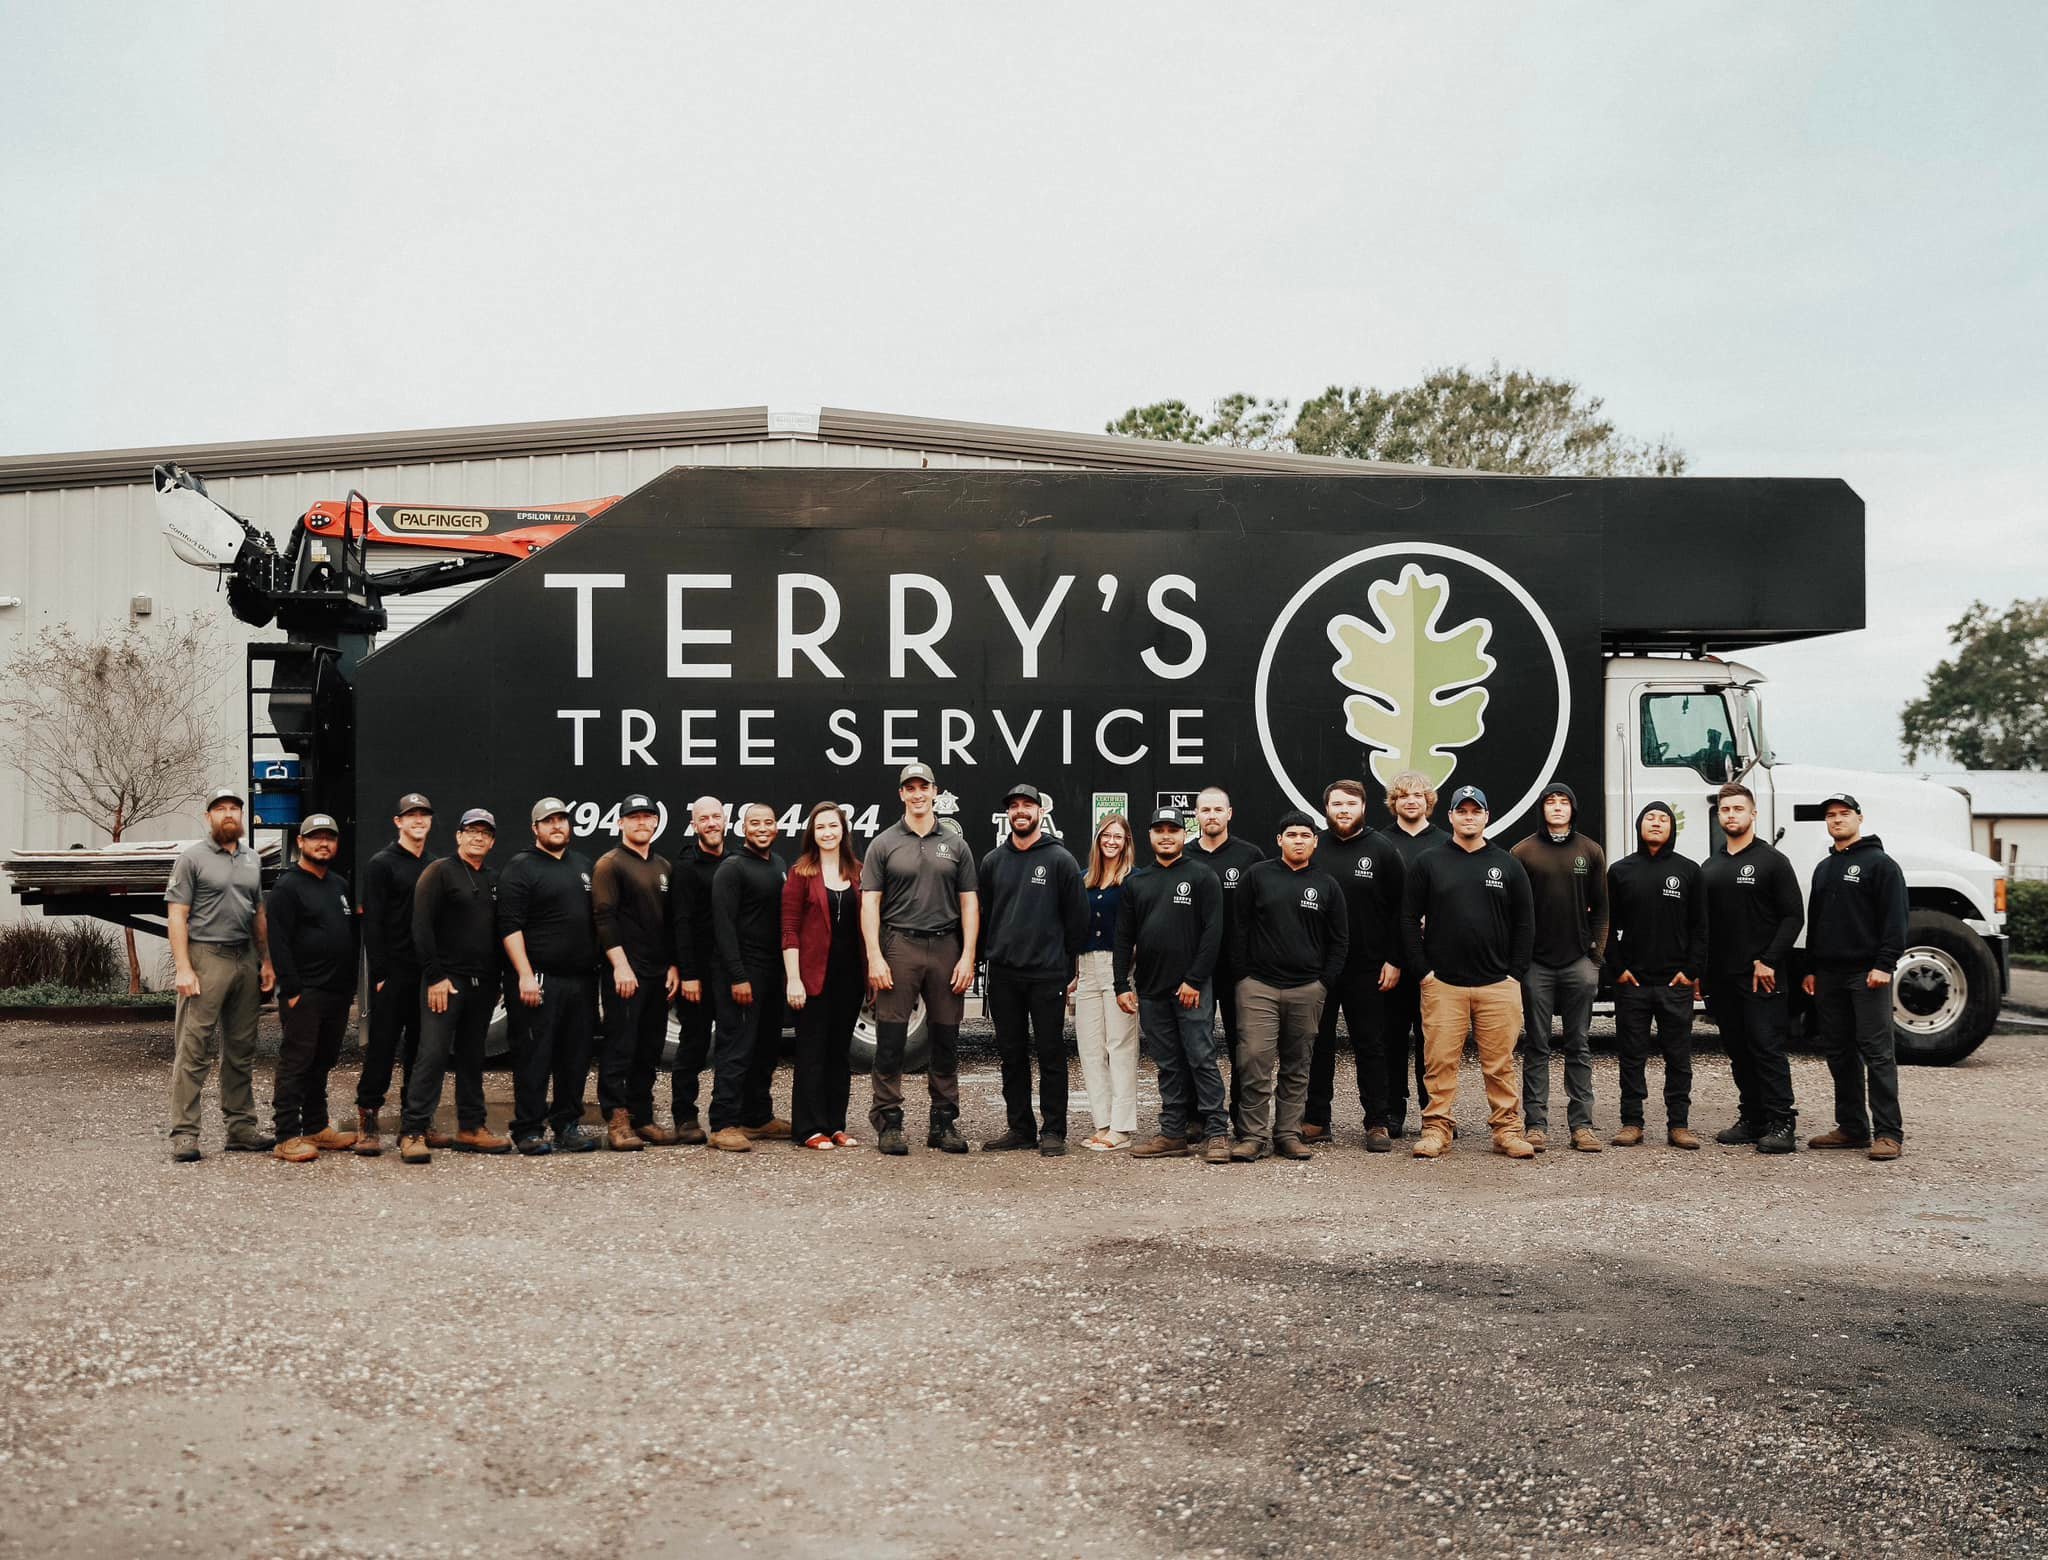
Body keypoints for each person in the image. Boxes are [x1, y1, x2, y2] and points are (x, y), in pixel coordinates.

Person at [1399, 785, 1537, 1161]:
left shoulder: (1508, 865)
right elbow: (1408, 919)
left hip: (1498, 984)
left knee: (1500, 1064)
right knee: (1439, 1063)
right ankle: (1436, 1129)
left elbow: (1525, 923)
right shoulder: (1429, 862)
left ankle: (1507, 1131)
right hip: (1443, 984)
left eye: (1476, 811)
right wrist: (1423, 972)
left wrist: (1515, 974)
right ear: (1451, 816)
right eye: (1462, 811)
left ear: (1486, 816)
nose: (1469, 817)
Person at [862, 762, 980, 1156]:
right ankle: (889, 1121)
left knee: (945, 1038)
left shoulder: (956, 844)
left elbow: (969, 904)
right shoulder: (883, 843)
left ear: (935, 792)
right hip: (900, 945)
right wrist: (875, 956)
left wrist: (968, 955)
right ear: (901, 794)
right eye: (909, 788)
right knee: (891, 1040)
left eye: (923, 787)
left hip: (946, 947)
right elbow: (870, 904)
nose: (917, 794)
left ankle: (943, 1122)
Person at [1231, 811, 1350, 1162]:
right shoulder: (1257, 876)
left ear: (1315, 842)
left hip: (1307, 989)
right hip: (1259, 987)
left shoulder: (1327, 884)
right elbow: (1238, 927)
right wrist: (1243, 976)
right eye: (1292, 835)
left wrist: (1323, 982)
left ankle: (1287, 1134)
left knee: (1298, 1065)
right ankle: (1253, 1136)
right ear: (1279, 840)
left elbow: (1339, 939)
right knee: (1255, 1060)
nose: (1299, 840)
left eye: (1305, 835)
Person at [165, 786, 275, 1162]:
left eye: (234, 808)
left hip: (245, 957)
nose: (228, 814)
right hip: (206, 957)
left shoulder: (252, 859)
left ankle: (241, 1129)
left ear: (241, 815)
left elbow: (258, 912)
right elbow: (177, 915)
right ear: (208, 816)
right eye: (220, 808)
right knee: (193, 1049)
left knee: (241, 1049)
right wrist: (183, 968)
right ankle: (185, 1134)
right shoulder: (191, 859)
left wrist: (266, 962)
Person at [977, 783, 1087, 1156]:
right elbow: (985, 915)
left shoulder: (1060, 859)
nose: (1021, 811)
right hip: (1004, 975)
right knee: (1011, 1056)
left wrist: (1069, 968)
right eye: (1014, 806)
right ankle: (1020, 1129)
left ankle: (1054, 1130)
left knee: (1051, 1054)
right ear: (1008, 814)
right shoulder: (993, 861)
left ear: (1040, 811)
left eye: (1027, 805)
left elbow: (1077, 919)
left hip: (1047, 974)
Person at [1115, 807, 1229, 1163]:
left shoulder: (1202, 875)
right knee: (1168, 1064)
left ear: (1184, 834)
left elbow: (1213, 933)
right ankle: (1173, 1133)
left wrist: (1194, 979)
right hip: (1151, 989)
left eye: (1173, 830)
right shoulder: (1137, 882)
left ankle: (1217, 1132)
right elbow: (1124, 937)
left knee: (1201, 1058)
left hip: (1191, 989)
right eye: (1159, 830)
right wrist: (1120, 984)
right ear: (1150, 836)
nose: (1166, 836)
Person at [1802, 793, 1909, 1161]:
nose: (1836, 820)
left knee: (1877, 1053)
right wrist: (1811, 968)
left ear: (1859, 818)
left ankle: (1889, 1133)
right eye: (1831, 815)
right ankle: (1852, 1127)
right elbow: (1816, 922)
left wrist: (1885, 964)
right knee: (1839, 1052)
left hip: (1867, 974)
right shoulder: (1824, 868)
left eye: (1844, 813)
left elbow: (1896, 920)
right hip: (1829, 975)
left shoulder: (1882, 865)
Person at [1701, 782, 1804, 1155]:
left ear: (1753, 813)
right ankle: (1753, 1118)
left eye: (1738, 809)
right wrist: (1702, 971)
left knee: (1766, 1048)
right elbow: (1704, 926)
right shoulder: (1710, 867)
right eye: (1725, 810)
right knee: (1738, 1050)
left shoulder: (1772, 861)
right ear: (1719, 815)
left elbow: (1793, 917)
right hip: (1722, 978)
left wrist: (1769, 960)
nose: (1731, 815)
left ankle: (1782, 1122)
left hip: (1762, 976)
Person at [402, 808, 511, 1162]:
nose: (478, 837)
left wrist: (499, 979)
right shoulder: (439, 872)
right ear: (459, 836)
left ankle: (471, 1127)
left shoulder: (494, 879)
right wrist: (435, 977)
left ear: (492, 842)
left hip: (484, 984)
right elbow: (421, 928)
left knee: (472, 1056)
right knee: (433, 1055)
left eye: (485, 833)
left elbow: (499, 932)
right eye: (472, 831)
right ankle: (413, 1130)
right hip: (446, 983)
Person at [497, 797, 602, 1155]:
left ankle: (566, 1125)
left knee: (575, 1057)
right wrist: (525, 975)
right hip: (539, 979)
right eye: (548, 821)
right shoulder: (520, 867)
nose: (556, 826)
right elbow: (510, 927)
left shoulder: (583, 865)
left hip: (581, 980)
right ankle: (528, 1129)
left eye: (561, 820)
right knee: (534, 1056)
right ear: (535, 828)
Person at [1305, 779, 1405, 1151]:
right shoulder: (1314, 847)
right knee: (1318, 1044)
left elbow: (1401, 910)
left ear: (1363, 807)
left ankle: (1377, 1121)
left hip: (1369, 967)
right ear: (1326, 809)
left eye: (1350, 804)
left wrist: (1395, 959)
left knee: (1371, 1045)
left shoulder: (1383, 849)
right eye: (1336, 804)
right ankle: (1316, 1120)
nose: (1343, 810)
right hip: (1320, 967)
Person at [1511, 781, 1610, 1153]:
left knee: (1578, 1045)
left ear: (1573, 809)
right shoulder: (1523, 852)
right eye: (1550, 801)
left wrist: (1594, 959)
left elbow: (1602, 911)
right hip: (1536, 966)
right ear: (1541, 808)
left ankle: (1582, 1126)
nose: (1556, 806)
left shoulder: (1590, 851)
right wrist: (1520, 963)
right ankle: (1535, 1126)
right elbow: (1513, 913)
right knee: (1537, 1045)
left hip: (1578, 964)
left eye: (1563, 801)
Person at [1604, 801, 1705, 1149]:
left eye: (1663, 818)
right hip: (1632, 984)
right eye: (1650, 818)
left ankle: (1679, 1125)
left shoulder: (1689, 871)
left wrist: (1690, 971)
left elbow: (1700, 927)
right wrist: (1618, 969)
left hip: (1674, 984)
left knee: (1678, 1057)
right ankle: (1632, 1122)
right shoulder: (1620, 871)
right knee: (1632, 1057)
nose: (1657, 823)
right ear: (1639, 826)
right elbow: (1607, 925)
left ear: (1672, 827)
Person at [265, 814, 361, 1162]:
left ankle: (316, 1126)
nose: (323, 843)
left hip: (336, 992)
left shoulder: (339, 885)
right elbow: (278, 941)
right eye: (316, 837)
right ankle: (286, 1135)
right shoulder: (288, 887)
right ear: (301, 842)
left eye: (329, 838)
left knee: (323, 1061)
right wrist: (292, 990)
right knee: (297, 1062)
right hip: (305, 993)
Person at [593, 794, 682, 1151]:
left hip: (658, 974)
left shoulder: (662, 865)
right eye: (634, 817)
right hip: (625, 974)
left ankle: (642, 1118)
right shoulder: (610, 864)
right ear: (621, 823)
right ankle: (617, 1119)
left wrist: (672, 964)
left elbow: (670, 922)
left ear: (656, 822)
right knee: (620, 1047)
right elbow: (603, 918)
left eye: (647, 817)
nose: (641, 822)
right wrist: (620, 966)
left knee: (649, 1049)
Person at [707, 802, 791, 1152]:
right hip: (742, 973)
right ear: (743, 829)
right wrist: (738, 976)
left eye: (768, 822)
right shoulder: (732, 868)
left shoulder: (779, 865)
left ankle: (756, 1117)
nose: (762, 828)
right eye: (754, 823)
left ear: (776, 827)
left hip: (772, 973)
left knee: (765, 1049)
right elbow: (723, 928)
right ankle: (723, 1123)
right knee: (736, 1049)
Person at [355, 792, 436, 1155]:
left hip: (426, 974)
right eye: (411, 815)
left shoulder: (435, 865)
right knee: (382, 1049)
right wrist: (381, 973)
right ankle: (368, 1120)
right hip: (393, 974)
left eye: (424, 815)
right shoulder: (381, 864)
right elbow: (372, 923)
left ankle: (414, 1122)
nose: (418, 820)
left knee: (421, 1050)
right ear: (398, 822)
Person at [782, 801, 866, 1150]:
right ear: (812, 834)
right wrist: (793, 979)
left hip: (850, 980)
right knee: (811, 1053)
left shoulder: (859, 872)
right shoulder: (800, 873)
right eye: (821, 827)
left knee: (839, 1054)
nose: (828, 833)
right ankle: (808, 1128)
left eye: (833, 826)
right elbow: (789, 929)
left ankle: (835, 1125)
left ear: (843, 831)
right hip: (812, 979)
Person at [1193, 786, 1266, 1134]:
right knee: (1197, 1046)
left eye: (1217, 810)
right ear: (1196, 815)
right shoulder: (1185, 856)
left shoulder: (1250, 856)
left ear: (1229, 814)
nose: (1211, 816)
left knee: (1245, 1047)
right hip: (1197, 971)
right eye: (1205, 810)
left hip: (1241, 971)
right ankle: (1199, 1117)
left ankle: (1242, 1117)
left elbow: (1264, 912)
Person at [1380, 771, 1448, 1137]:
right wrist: (1390, 955)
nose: (1411, 801)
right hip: (1392, 961)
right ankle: (1393, 1111)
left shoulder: (1445, 843)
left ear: (1428, 802)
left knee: (1433, 1041)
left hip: (1434, 960)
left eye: (1418, 795)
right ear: (1394, 802)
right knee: (1391, 1039)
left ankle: (1432, 1112)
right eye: (1403, 795)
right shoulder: (1380, 843)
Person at [1074, 814, 1141, 1152]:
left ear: (1126, 842)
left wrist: (1128, 972)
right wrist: (1074, 973)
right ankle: (1102, 1122)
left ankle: (1122, 1127)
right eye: (1106, 835)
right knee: (1090, 1048)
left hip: (1119, 969)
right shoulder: (1083, 879)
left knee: (1120, 1047)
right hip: (1087, 967)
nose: (1111, 841)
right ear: (1098, 840)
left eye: (1118, 836)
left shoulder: (1134, 880)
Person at [667, 795, 728, 1145]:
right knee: (693, 1045)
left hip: (730, 972)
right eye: (703, 818)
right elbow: (681, 923)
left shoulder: (734, 861)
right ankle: (685, 1117)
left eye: (715, 817)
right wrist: (688, 973)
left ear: (725, 820)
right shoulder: (686, 867)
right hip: (698, 975)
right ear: (694, 825)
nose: (711, 823)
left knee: (732, 1048)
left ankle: (729, 1116)